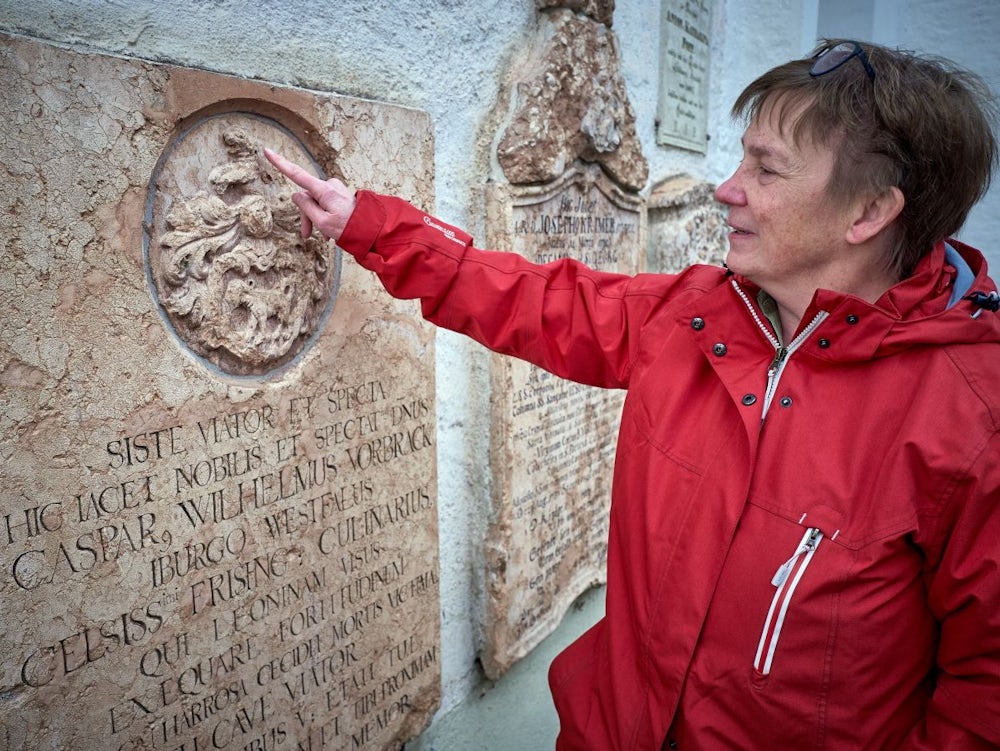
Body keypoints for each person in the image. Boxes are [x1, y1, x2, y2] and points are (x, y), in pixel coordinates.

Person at [265, 38, 1000, 750]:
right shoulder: (698, 313)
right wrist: (370, 224)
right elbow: (535, 301)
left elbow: (983, 694)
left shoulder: (972, 418)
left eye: (766, 170)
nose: (728, 188)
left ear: (867, 214)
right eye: (741, 156)